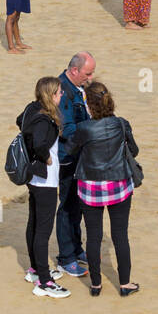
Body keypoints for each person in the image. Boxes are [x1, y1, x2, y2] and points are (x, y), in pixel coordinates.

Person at [68, 80, 140, 296]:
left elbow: (71, 149)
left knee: (93, 236)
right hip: (119, 185)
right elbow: (134, 151)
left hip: (91, 187)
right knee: (120, 236)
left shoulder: (84, 128)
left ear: (89, 105)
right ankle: (125, 284)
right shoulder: (121, 123)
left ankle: (96, 284)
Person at [17, 76, 71, 296]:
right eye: (59, 92)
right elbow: (40, 143)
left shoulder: (33, 108)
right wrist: (45, 156)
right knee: (43, 229)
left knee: (34, 222)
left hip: (34, 178)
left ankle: (35, 269)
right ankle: (45, 282)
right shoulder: (44, 118)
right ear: (50, 95)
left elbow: (19, 120)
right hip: (45, 179)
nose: (62, 94)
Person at [55, 52, 96, 277]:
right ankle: (66, 258)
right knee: (67, 207)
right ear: (74, 71)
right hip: (68, 158)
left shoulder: (76, 88)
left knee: (77, 206)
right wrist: (93, 133)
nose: (90, 78)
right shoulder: (63, 91)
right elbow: (67, 129)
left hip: (78, 156)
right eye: (87, 73)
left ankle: (77, 249)